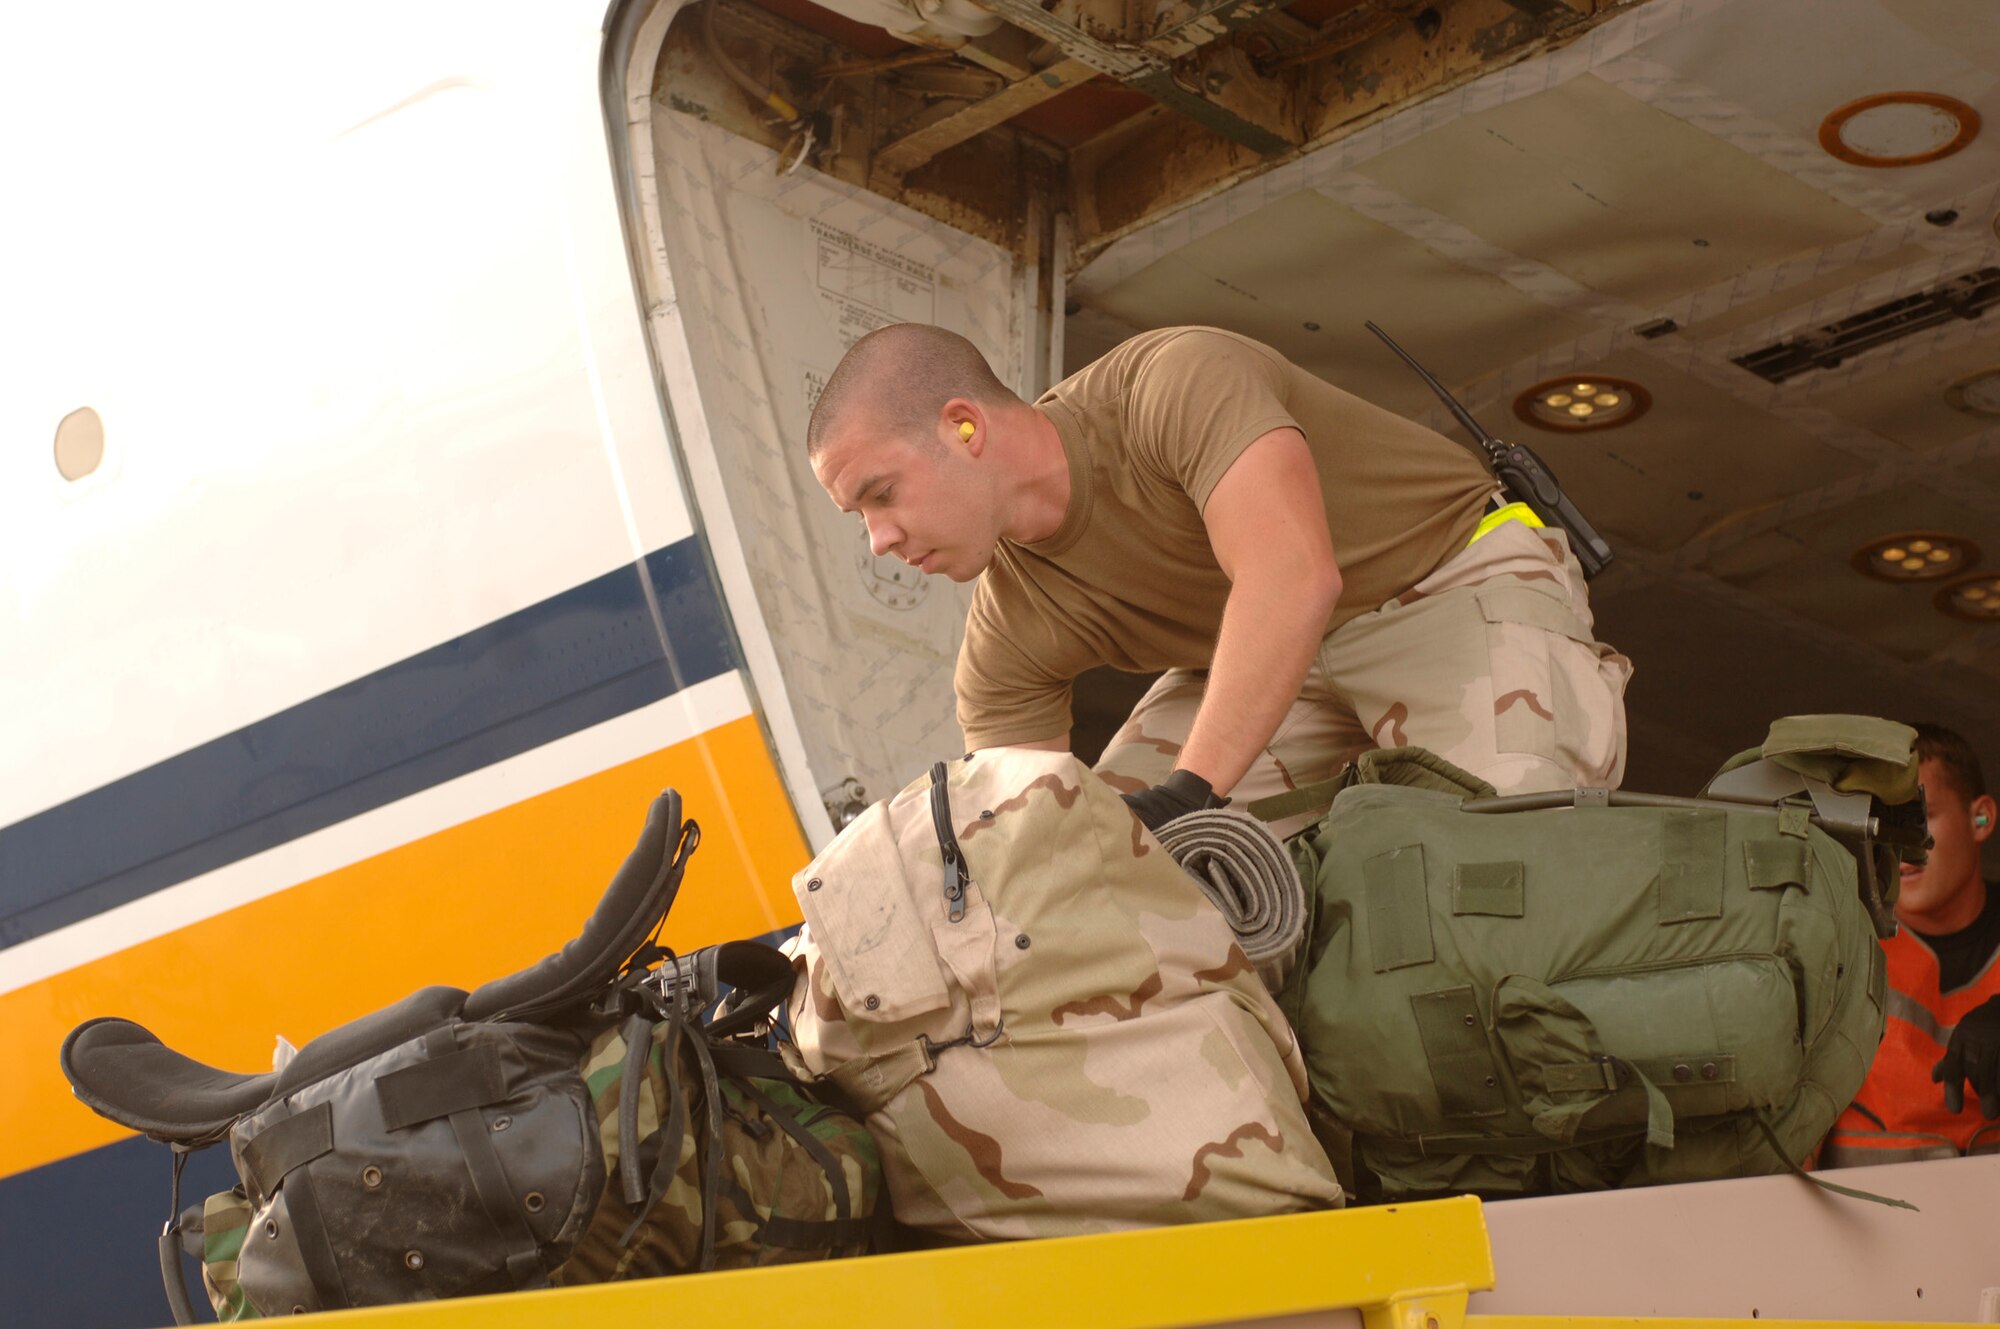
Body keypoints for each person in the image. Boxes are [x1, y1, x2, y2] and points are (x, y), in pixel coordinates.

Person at [806, 322, 1631, 829]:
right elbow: (1032, 845)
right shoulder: (1007, 632)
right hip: (1273, 661)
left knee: (1508, 859)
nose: (878, 540)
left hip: (1443, 574)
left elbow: (1292, 575)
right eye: (858, 516)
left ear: (963, 426)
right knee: (1114, 868)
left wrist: (1189, 794)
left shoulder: (1170, 382)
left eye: (882, 494)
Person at [1823, 722, 2000, 1165]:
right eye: (1882, 826)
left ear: (1981, 819)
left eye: (1919, 818)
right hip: (1861, 1205)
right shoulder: (1836, 945)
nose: (1901, 848)